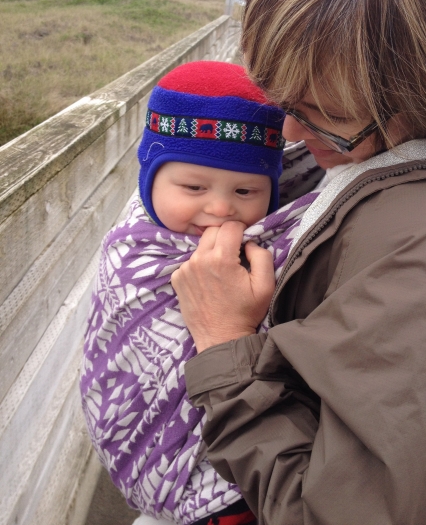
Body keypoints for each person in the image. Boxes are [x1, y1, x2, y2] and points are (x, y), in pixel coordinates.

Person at [172, 0, 426, 523]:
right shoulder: (412, 161)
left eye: (320, 113)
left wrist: (225, 351)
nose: (289, 131)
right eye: (282, 100)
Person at [80, 61, 329, 525]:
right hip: (145, 451)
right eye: (193, 186)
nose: (219, 207)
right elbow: (113, 353)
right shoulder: (134, 251)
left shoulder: (271, 245)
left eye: (246, 189)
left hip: (233, 487)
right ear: (150, 179)